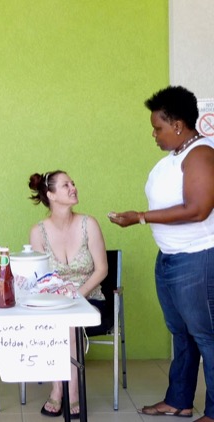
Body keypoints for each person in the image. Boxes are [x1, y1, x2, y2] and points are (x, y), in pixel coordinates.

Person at [109, 86, 214, 422]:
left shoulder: (201, 154)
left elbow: (198, 209)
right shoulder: (175, 156)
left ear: (179, 125)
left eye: (158, 127)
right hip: (171, 257)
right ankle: (179, 401)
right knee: (182, 335)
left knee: (207, 337)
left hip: (197, 259)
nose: (154, 134)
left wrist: (139, 217)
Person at [28, 171, 108, 419]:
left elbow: (102, 269)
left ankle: (65, 392)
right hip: (54, 302)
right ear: (50, 194)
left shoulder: (89, 224)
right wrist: (61, 298)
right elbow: (39, 277)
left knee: (68, 327)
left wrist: (78, 296)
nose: (74, 187)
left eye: (73, 183)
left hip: (90, 300)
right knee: (60, 324)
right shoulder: (38, 232)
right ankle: (67, 391)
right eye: (66, 185)